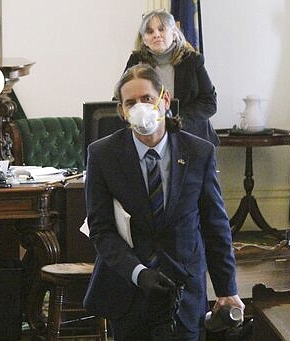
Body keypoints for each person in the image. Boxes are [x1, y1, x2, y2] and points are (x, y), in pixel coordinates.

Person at [83, 64, 243, 340]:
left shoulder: (199, 152)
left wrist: (226, 289)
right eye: (130, 102)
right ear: (121, 111)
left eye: (146, 99)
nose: (139, 108)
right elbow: (101, 229)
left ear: (164, 100)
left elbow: (215, 226)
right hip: (130, 291)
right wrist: (137, 272)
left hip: (185, 291)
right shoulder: (102, 154)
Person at [124, 9, 219, 146]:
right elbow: (120, 100)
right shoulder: (136, 61)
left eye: (162, 29)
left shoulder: (192, 60)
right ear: (144, 39)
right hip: (148, 138)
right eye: (150, 32)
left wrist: (175, 120)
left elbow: (209, 103)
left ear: (174, 33)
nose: (157, 35)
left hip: (192, 137)